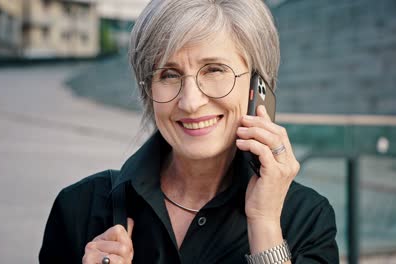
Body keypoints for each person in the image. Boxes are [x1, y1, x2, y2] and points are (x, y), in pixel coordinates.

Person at [39, 0, 339, 263]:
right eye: (169, 74)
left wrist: (265, 224)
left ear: (258, 87)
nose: (191, 102)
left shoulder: (307, 218)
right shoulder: (79, 208)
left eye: (214, 70)